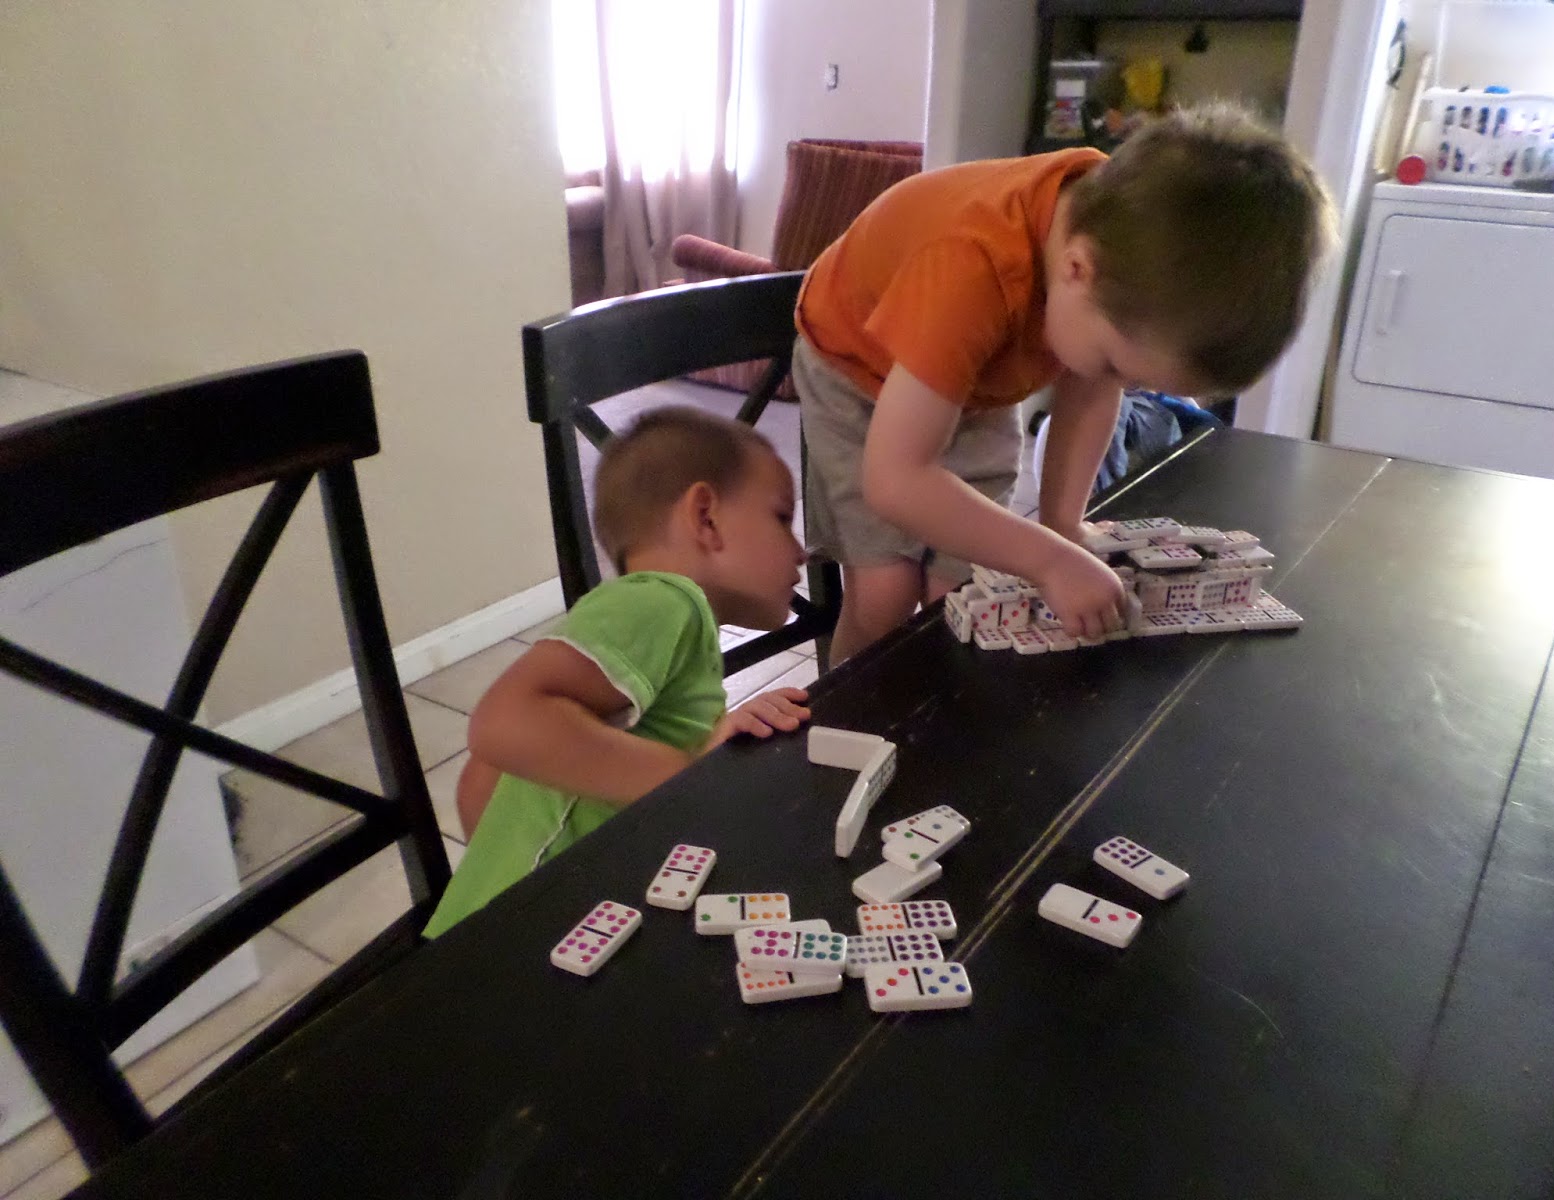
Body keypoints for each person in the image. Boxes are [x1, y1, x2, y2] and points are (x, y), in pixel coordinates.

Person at [794, 103, 1337, 665]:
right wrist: (1051, 559)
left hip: (977, 370)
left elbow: (1091, 390)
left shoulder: (1119, 235)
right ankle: (841, 711)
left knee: (963, 585)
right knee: (886, 593)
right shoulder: (973, 264)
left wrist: (1063, 527)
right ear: (1077, 269)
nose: (1119, 385)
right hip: (857, 369)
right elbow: (896, 480)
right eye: (1115, 366)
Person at [423, 407, 810, 938]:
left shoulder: (658, 624)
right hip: (518, 949)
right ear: (705, 518)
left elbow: (480, 781)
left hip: (536, 928)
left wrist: (710, 742)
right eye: (783, 518)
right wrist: (684, 780)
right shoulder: (662, 602)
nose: (801, 551)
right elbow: (502, 723)